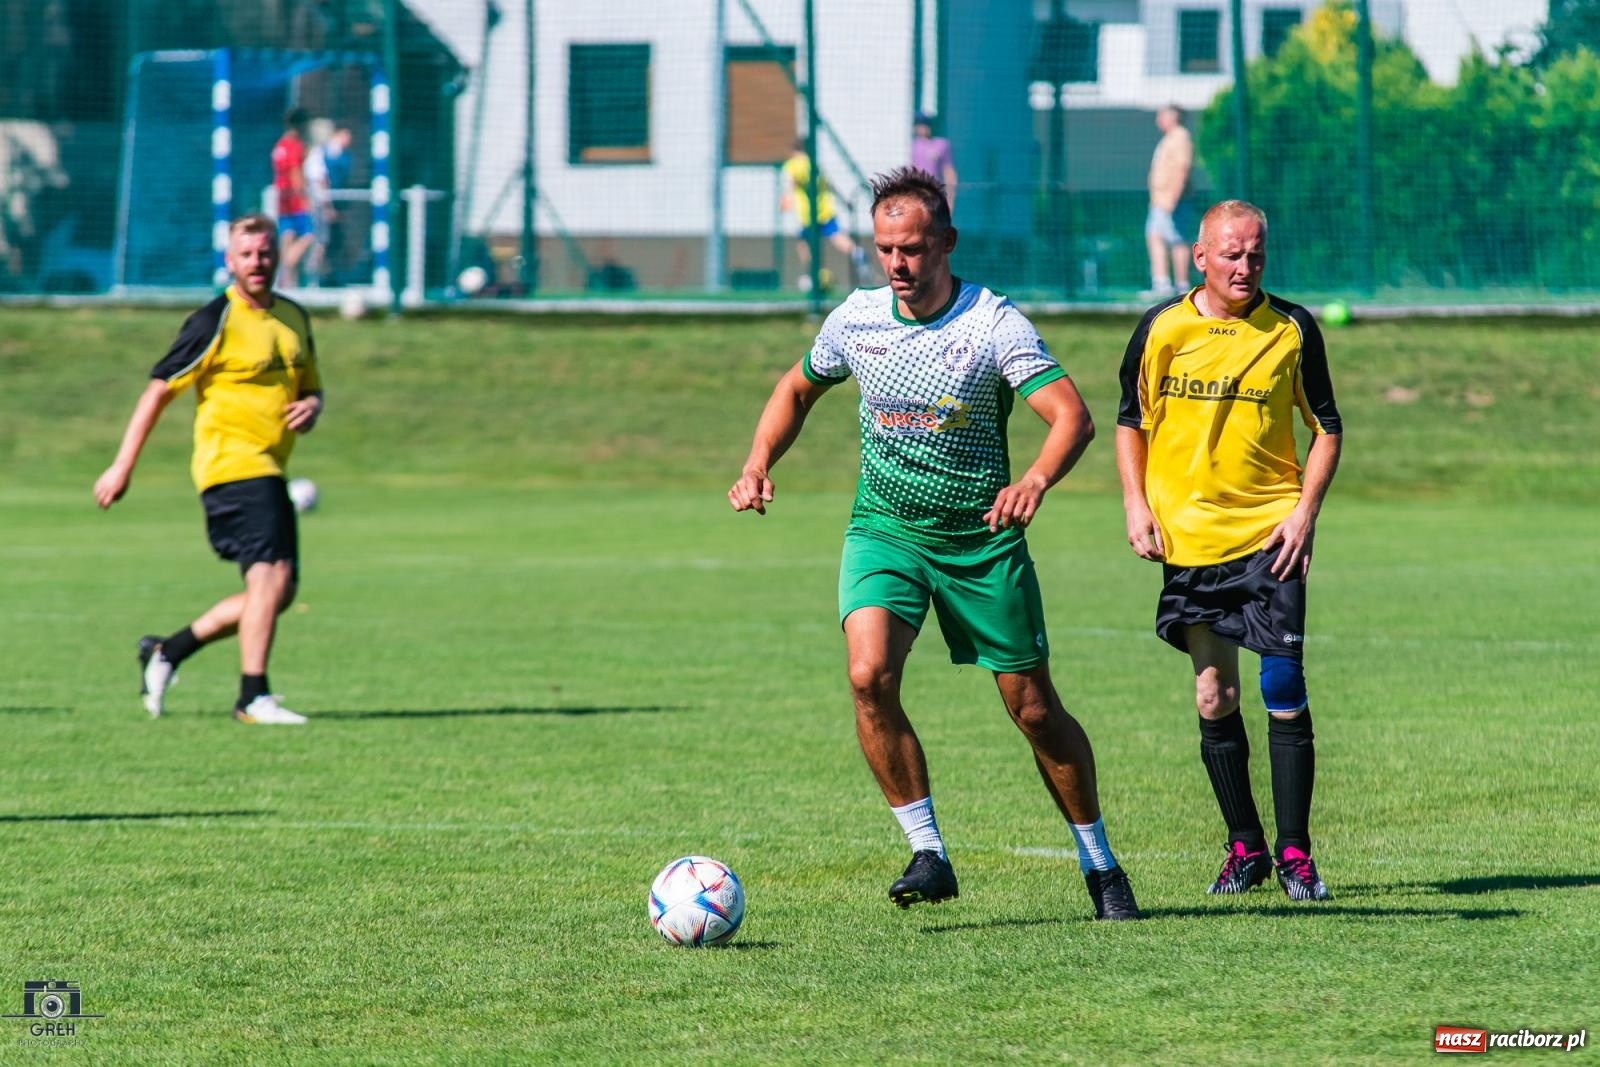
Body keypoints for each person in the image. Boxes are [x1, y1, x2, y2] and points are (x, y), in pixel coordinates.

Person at [730, 167, 1139, 920]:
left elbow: (1070, 416)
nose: (897, 264)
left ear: (946, 243)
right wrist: (758, 462)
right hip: (886, 528)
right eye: (885, 248)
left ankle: (1101, 864)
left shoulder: (992, 323)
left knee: (1034, 709)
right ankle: (928, 850)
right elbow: (795, 388)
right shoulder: (855, 320)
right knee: (868, 674)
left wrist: (1037, 482)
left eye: (913, 248)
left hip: (982, 540)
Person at [1115, 199, 1343, 901]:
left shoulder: (1293, 329)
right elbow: (1132, 420)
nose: (1245, 267)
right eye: (1233, 254)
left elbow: (1327, 427)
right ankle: (1245, 846)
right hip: (1189, 540)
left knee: (1281, 686)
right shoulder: (1161, 328)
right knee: (1215, 692)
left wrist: (1304, 513)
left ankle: (1297, 852)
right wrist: (1135, 502)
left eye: (1257, 256)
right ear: (1200, 256)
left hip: (1270, 534)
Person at [93, 213, 324, 726]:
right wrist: (122, 466)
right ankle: (252, 697)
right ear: (230, 261)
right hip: (232, 466)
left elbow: (311, 384)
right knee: (268, 576)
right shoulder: (213, 321)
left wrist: (313, 405)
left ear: (277, 255)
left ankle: (167, 651)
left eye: (265, 252)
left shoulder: (293, 317)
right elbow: (158, 391)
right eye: (247, 254)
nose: (257, 262)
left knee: (278, 593)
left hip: (270, 465)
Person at [780, 140, 867, 291]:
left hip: (808, 214)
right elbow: (829, 185)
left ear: (795, 152)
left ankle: (813, 273)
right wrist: (842, 199)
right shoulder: (815, 165)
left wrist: (787, 197)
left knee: (803, 243)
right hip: (826, 210)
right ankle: (858, 254)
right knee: (836, 236)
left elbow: (792, 181)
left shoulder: (794, 164)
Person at [1143, 105, 1193, 298]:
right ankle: (1162, 282)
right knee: (1156, 235)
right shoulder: (1169, 138)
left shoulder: (1180, 137)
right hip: (1160, 199)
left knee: (1177, 238)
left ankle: (1181, 284)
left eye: (1161, 115)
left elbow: (1182, 168)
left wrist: (1173, 197)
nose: (1158, 119)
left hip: (1172, 199)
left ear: (1172, 117)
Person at [304, 121, 353, 286]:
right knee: (321, 240)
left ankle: (328, 277)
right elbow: (320, 181)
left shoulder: (344, 156)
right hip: (321, 205)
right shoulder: (319, 154)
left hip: (334, 205)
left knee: (334, 242)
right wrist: (327, 207)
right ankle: (310, 276)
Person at [271, 107, 316, 288]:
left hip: (281, 198)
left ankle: (289, 284)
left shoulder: (279, 145)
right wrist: (305, 197)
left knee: (287, 237)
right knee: (309, 235)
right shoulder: (296, 146)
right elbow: (295, 173)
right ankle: (287, 264)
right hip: (294, 199)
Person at [910, 112, 957, 213]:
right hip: (915, 193)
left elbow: (949, 172)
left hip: (934, 193)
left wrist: (950, 199)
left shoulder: (941, 145)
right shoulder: (912, 145)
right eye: (919, 124)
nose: (923, 128)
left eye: (926, 124)